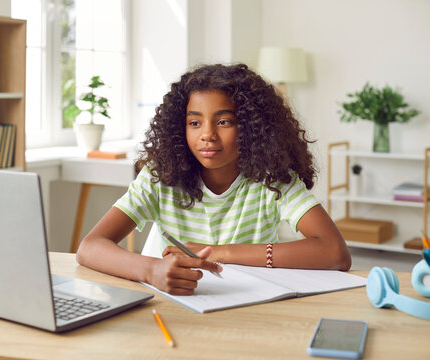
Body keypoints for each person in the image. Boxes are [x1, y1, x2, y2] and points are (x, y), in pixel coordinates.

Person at [76, 63, 351, 295]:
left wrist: (221, 253)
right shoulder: (161, 177)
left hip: (248, 306)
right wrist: (151, 270)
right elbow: (90, 247)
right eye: (194, 123)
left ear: (252, 129)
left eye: (223, 122)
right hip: (177, 305)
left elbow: (335, 252)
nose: (207, 134)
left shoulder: (273, 179)